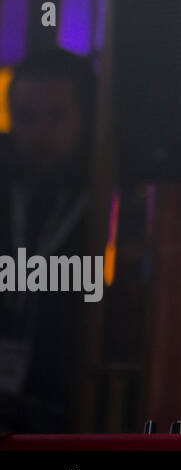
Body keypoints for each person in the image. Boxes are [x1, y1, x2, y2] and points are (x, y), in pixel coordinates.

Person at [0, 48, 98, 432]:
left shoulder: (110, 191)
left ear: (85, 118)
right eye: (26, 118)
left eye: (55, 117)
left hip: (74, 404)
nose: (40, 134)